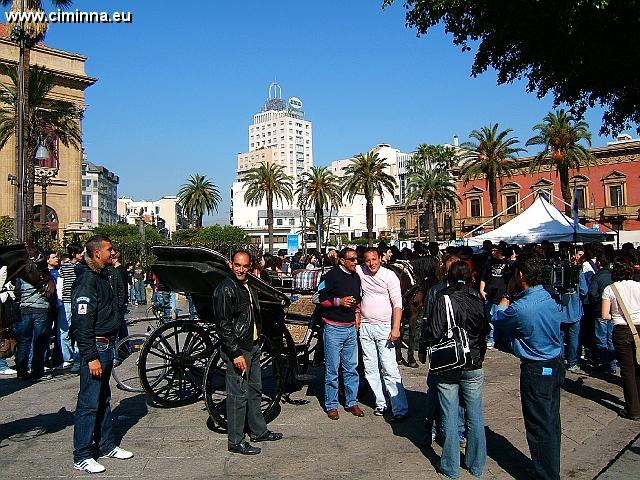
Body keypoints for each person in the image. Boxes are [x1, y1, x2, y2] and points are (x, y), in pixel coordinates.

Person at [493, 250, 565, 480]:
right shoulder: (550, 297)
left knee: (538, 425)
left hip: (536, 368)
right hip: (554, 362)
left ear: (521, 274)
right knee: (551, 420)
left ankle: (546, 474)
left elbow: (498, 317)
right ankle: (548, 465)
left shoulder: (521, 308)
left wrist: (507, 293)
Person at [71, 235, 133, 474]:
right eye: (109, 249)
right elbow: (82, 322)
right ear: (97, 253)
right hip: (96, 348)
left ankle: (106, 444)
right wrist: (90, 356)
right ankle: (82, 455)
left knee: (103, 398)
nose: (113, 252)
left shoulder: (102, 275)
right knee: (88, 403)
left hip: (106, 346)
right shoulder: (87, 280)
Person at [213, 250, 283, 455]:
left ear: (250, 266)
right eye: (237, 265)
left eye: (244, 266)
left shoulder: (247, 286)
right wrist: (235, 353)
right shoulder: (225, 289)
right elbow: (223, 326)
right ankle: (235, 440)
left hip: (252, 345)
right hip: (239, 349)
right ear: (230, 265)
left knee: (255, 390)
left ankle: (258, 430)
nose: (241, 269)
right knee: (237, 396)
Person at [422, 261, 487, 479]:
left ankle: (451, 466)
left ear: (448, 277)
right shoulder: (478, 298)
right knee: (475, 414)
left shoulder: (444, 299)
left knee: (448, 415)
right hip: (474, 362)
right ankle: (476, 464)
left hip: (449, 363)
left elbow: (435, 331)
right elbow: (484, 330)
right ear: (471, 277)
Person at [356, 247, 408, 420]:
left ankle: (399, 408)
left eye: (374, 259)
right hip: (365, 327)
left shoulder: (389, 276)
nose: (371, 263)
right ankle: (381, 402)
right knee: (370, 368)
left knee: (389, 367)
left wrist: (396, 328)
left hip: (385, 327)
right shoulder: (360, 271)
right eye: (367, 260)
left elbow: (397, 303)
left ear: (380, 258)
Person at [317, 247, 364, 420]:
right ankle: (331, 404)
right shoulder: (330, 276)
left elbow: (357, 299)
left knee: (351, 368)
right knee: (332, 370)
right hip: (333, 329)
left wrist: (357, 313)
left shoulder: (356, 277)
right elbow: (318, 298)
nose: (355, 262)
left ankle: (352, 402)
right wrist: (338, 302)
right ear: (342, 260)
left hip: (350, 328)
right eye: (351, 259)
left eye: (356, 259)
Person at [601, 256, 640, 420]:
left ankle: (633, 409)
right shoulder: (639, 286)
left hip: (621, 331)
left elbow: (604, 315)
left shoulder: (610, 289)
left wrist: (616, 315)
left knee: (627, 370)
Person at [58, 243, 83, 372]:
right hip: (67, 300)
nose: (82, 254)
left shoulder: (81, 267)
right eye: (80, 252)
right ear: (74, 253)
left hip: (77, 301)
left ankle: (77, 358)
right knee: (65, 331)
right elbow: (60, 284)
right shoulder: (65, 267)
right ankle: (68, 358)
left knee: (78, 329)